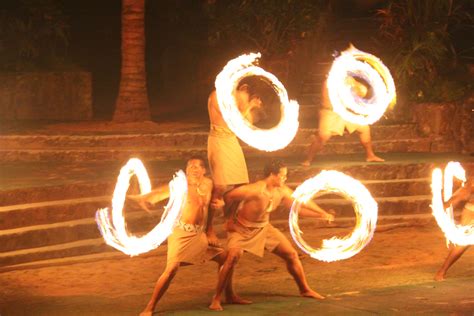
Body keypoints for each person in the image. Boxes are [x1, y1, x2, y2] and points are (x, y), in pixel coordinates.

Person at [209, 159, 335, 311]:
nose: (285, 178)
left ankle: (304, 289)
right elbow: (228, 196)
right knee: (231, 258)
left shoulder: (281, 191)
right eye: (282, 175)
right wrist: (229, 220)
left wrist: (321, 214)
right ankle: (217, 298)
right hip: (242, 229)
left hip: (264, 228)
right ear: (272, 175)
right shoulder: (254, 190)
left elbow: (299, 205)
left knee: (291, 255)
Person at [129, 157, 245, 315]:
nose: (193, 169)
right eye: (190, 166)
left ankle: (225, 295)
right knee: (171, 268)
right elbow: (155, 195)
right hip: (181, 233)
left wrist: (213, 223)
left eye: (197, 166)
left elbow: (213, 206)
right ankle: (150, 307)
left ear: (203, 170)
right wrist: (141, 198)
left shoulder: (208, 184)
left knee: (226, 258)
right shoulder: (180, 185)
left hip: (199, 234)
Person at [207, 83, 263, 246]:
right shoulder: (216, 95)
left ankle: (229, 220)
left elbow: (246, 124)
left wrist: (252, 108)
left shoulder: (240, 97)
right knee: (220, 187)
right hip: (218, 140)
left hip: (231, 141)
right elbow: (231, 121)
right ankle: (208, 228)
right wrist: (248, 106)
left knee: (242, 185)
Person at [301, 76, 384, 166]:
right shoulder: (328, 82)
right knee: (323, 136)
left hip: (345, 112)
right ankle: (308, 159)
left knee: (364, 128)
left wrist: (355, 86)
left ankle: (370, 155)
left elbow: (362, 92)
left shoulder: (350, 80)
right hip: (329, 112)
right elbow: (329, 101)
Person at [434, 177, 473, 281]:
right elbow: (464, 192)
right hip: (472, 212)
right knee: (464, 242)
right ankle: (441, 272)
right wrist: (444, 208)